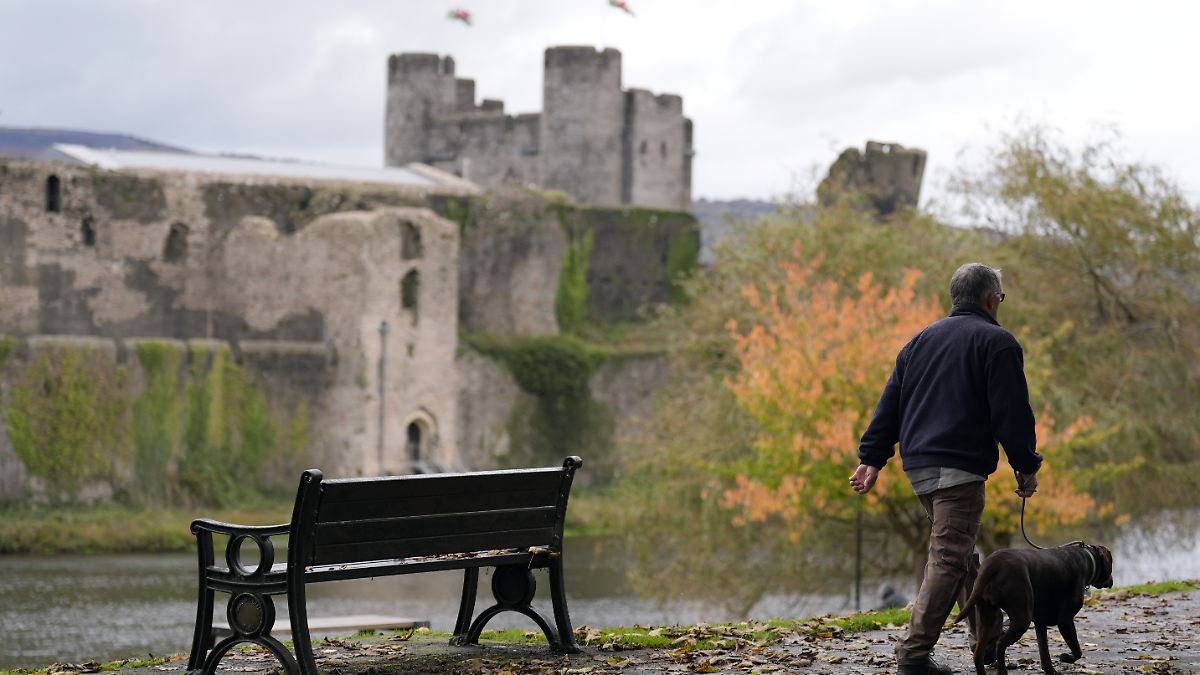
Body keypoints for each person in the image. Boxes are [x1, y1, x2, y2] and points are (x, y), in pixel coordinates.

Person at [848, 263, 1042, 675]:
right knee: (948, 559)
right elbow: (1012, 414)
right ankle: (913, 655)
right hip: (959, 468)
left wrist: (872, 458)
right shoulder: (998, 342)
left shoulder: (919, 341)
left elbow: (890, 405)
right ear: (992, 299)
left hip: (918, 466)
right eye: (1001, 299)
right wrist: (1026, 466)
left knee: (962, 556)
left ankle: (985, 641)